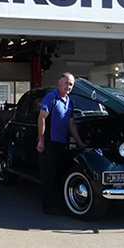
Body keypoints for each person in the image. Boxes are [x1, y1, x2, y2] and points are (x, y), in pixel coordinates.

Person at [36, 73, 85, 215]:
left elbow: (71, 125)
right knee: (48, 175)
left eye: (71, 85)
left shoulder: (69, 101)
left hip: (61, 143)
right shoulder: (51, 97)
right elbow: (42, 118)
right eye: (66, 83)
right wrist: (41, 139)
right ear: (59, 82)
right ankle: (48, 207)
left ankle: (58, 204)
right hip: (49, 142)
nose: (68, 87)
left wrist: (80, 142)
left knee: (58, 175)